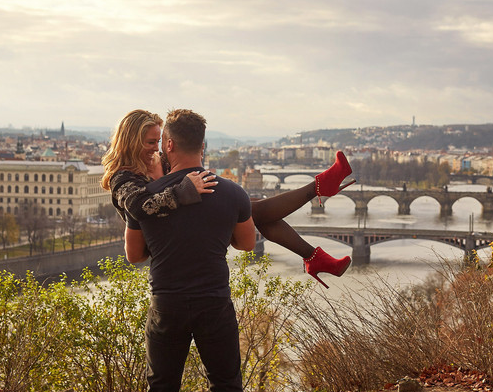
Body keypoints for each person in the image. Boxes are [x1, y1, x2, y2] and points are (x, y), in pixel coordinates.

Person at [101, 109, 355, 288]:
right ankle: (319, 193)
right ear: (131, 141)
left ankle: (314, 252)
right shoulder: (122, 176)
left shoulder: (159, 160)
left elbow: (183, 165)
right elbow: (138, 207)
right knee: (247, 209)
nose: (155, 148)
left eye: (158, 141)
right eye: (149, 142)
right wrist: (183, 191)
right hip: (155, 238)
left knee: (246, 209)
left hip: (185, 223)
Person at [112, 109, 255, 392]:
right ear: (203, 146)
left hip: (168, 304)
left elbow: (134, 255)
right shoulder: (233, 193)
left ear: (169, 146)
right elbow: (247, 243)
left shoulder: (145, 197)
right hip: (214, 301)